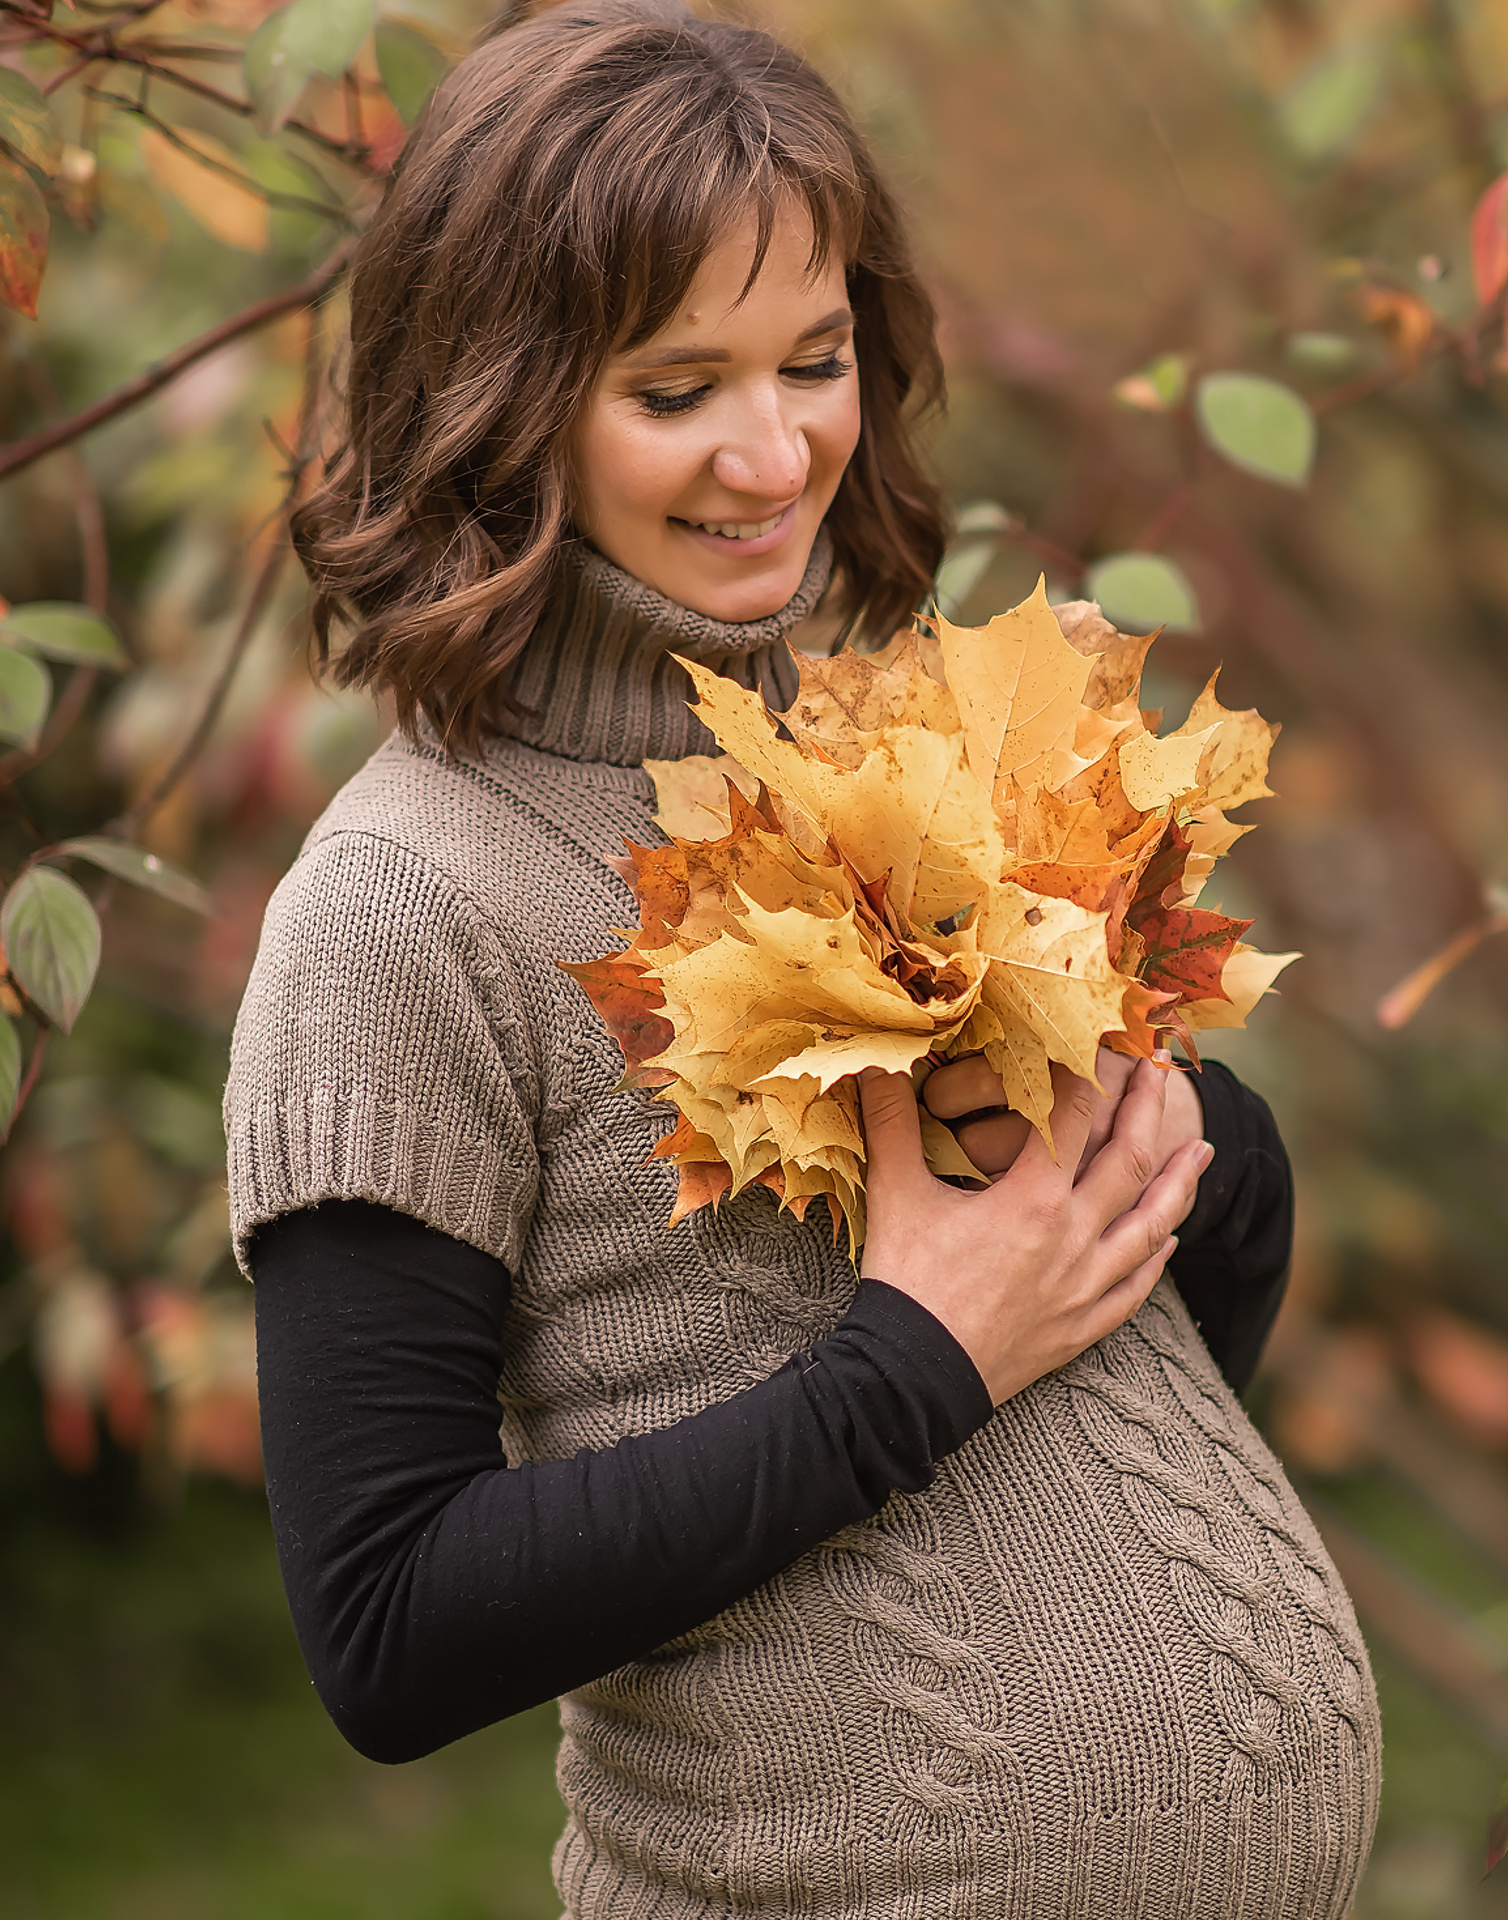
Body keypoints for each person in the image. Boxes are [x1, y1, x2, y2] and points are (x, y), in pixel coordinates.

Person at [223, 4, 1382, 1915]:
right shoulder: (400, 908)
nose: (775, 455)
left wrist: (1195, 1147)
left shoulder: (908, 745)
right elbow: (389, 1627)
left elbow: (1124, 1315)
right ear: (499, 399)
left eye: (816, 360)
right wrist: (912, 1363)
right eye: (675, 390)